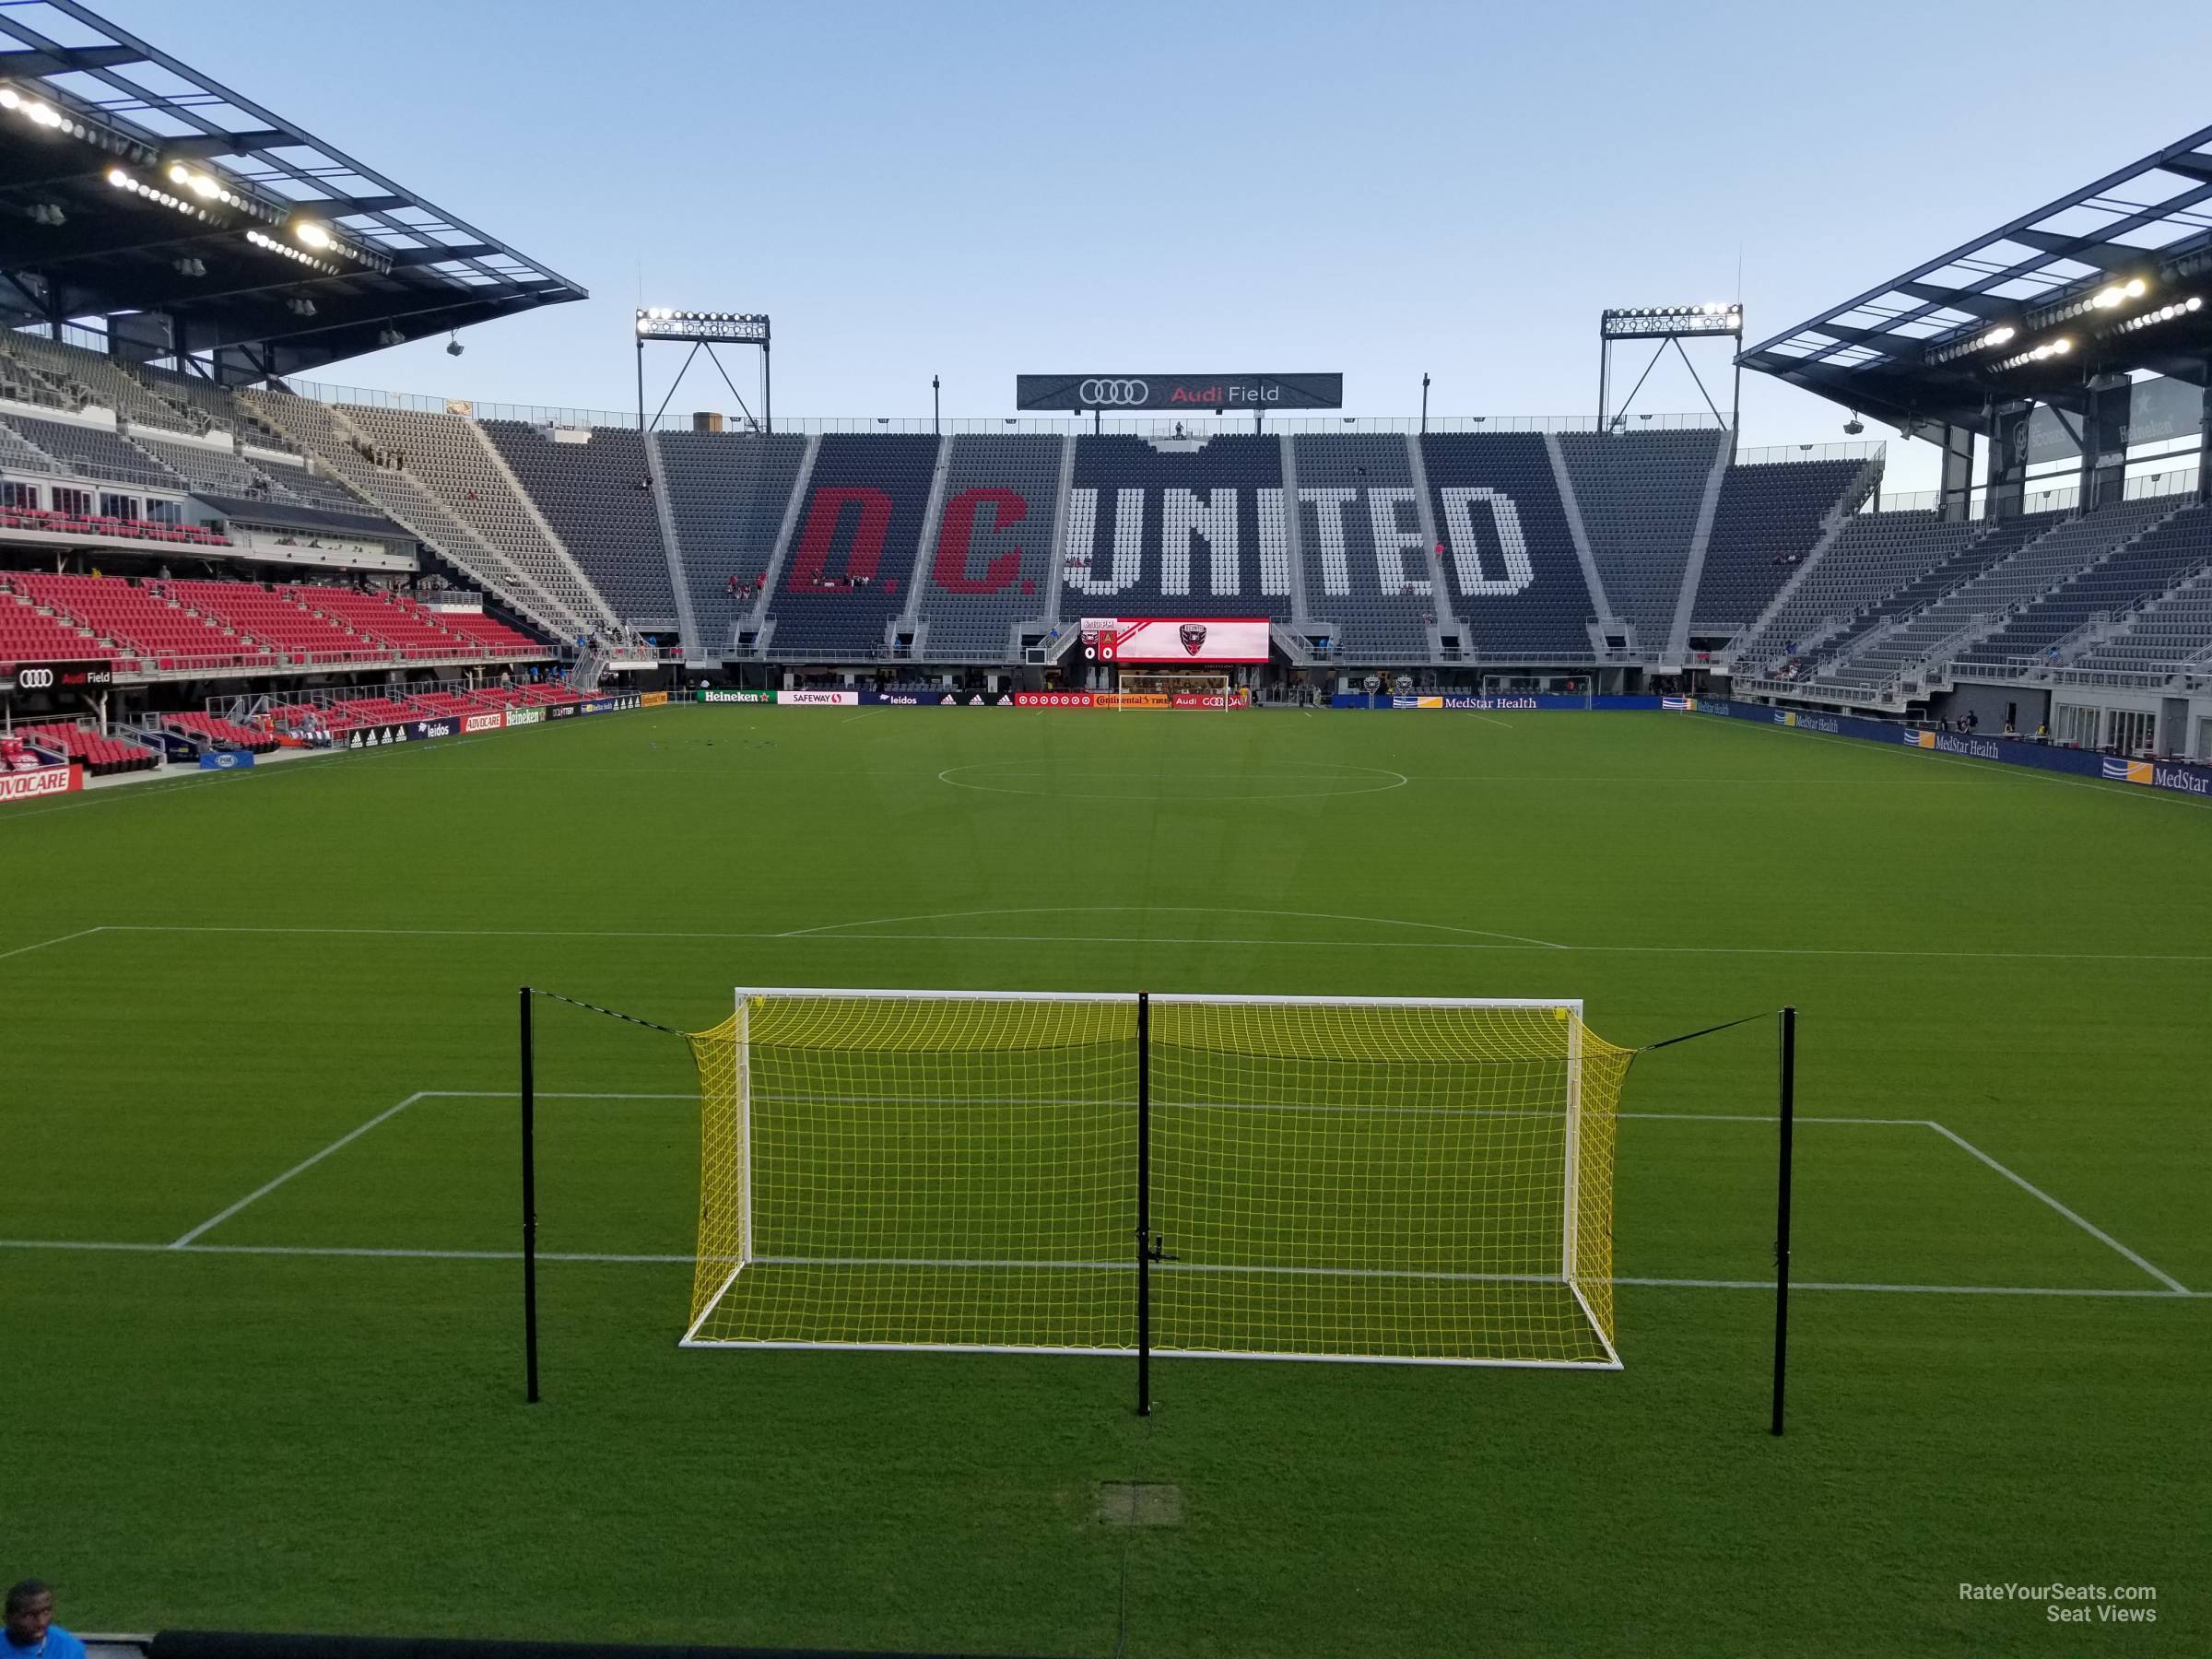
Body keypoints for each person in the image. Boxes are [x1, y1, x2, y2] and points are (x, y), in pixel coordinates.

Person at [5, 1582, 86, 1659]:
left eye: (46, 1612)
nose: (41, 1623)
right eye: (29, 1616)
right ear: (7, 1619)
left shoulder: (69, 1649)